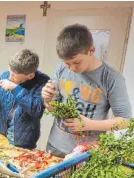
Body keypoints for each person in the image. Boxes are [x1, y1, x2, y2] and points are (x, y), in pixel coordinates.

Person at [42, 24, 132, 157]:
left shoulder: (111, 78)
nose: (71, 68)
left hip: (86, 153)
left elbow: (125, 121)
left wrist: (88, 124)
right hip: (56, 146)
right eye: (67, 63)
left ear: (91, 50)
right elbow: (52, 107)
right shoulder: (61, 68)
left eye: (77, 62)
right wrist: (47, 99)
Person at [0, 49, 50, 149]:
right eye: (10, 72)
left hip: (23, 142)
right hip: (0, 136)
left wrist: (16, 88)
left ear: (30, 76)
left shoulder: (43, 82)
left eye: (14, 76)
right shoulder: (5, 75)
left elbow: (36, 110)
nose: (10, 77)